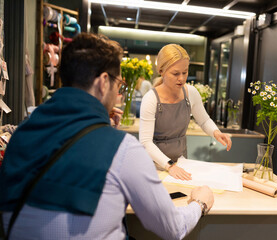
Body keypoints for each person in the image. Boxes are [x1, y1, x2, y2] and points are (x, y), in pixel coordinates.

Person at [0, 33, 214, 240]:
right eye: (119, 84)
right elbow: (173, 228)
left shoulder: (20, 135)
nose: (118, 94)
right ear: (103, 82)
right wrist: (200, 203)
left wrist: (99, 123)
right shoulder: (122, 149)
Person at [139, 44, 232, 180]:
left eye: (185, 72)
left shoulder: (191, 93)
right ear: (161, 70)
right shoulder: (151, 99)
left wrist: (216, 132)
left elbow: (204, 120)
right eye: (175, 73)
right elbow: (145, 142)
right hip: (154, 166)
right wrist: (169, 165)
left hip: (181, 163)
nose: (182, 78)